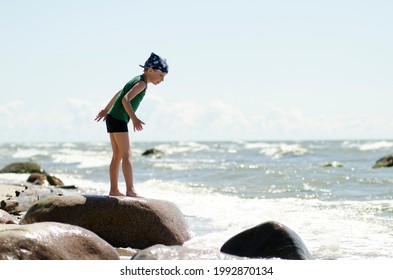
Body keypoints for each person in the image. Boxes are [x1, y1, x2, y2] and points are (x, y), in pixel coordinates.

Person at [95, 53, 168, 197]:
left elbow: (119, 94)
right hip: (118, 118)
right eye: (161, 75)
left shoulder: (137, 79)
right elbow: (125, 100)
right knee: (126, 155)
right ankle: (130, 189)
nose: (162, 80)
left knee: (117, 155)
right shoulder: (141, 83)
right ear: (151, 70)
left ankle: (114, 190)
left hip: (113, 117)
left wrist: (106, 109)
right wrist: (134, 118)